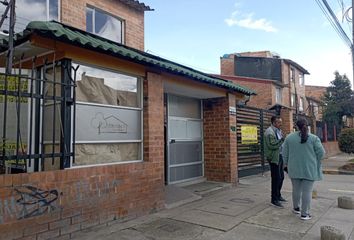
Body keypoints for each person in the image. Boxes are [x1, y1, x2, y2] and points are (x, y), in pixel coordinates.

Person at [282, 118, 325, 220]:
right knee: (307, 192)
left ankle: (296, 208)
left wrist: (285, 164)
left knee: (296, 189)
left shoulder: (289, 138)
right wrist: (315, 160)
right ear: (307, 126)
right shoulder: (314, 138)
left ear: (296, 126)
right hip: (309, 168)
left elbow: (284, 153)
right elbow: (322, 153)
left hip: (294, 168)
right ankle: (305, 214)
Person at [264, 116, 286, 208]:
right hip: (273, 158)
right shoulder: (269, 132)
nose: (280, 124)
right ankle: (274, 199)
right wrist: (282, 140)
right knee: (276, 178)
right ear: (273, 122)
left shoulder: (278, 130)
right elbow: (272, 145)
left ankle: (278, 195)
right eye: (278, 122)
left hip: (279, 156)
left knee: (281, 177)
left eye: (281, 122)